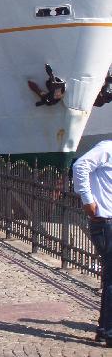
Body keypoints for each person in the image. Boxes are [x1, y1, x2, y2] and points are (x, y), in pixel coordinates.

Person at [73, 140, 112, 346]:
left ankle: (104, 328)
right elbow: (80, 165)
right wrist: (87, 199)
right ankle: (109, 332)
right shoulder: (107, 149)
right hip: (106, 223)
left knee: (110, 279)